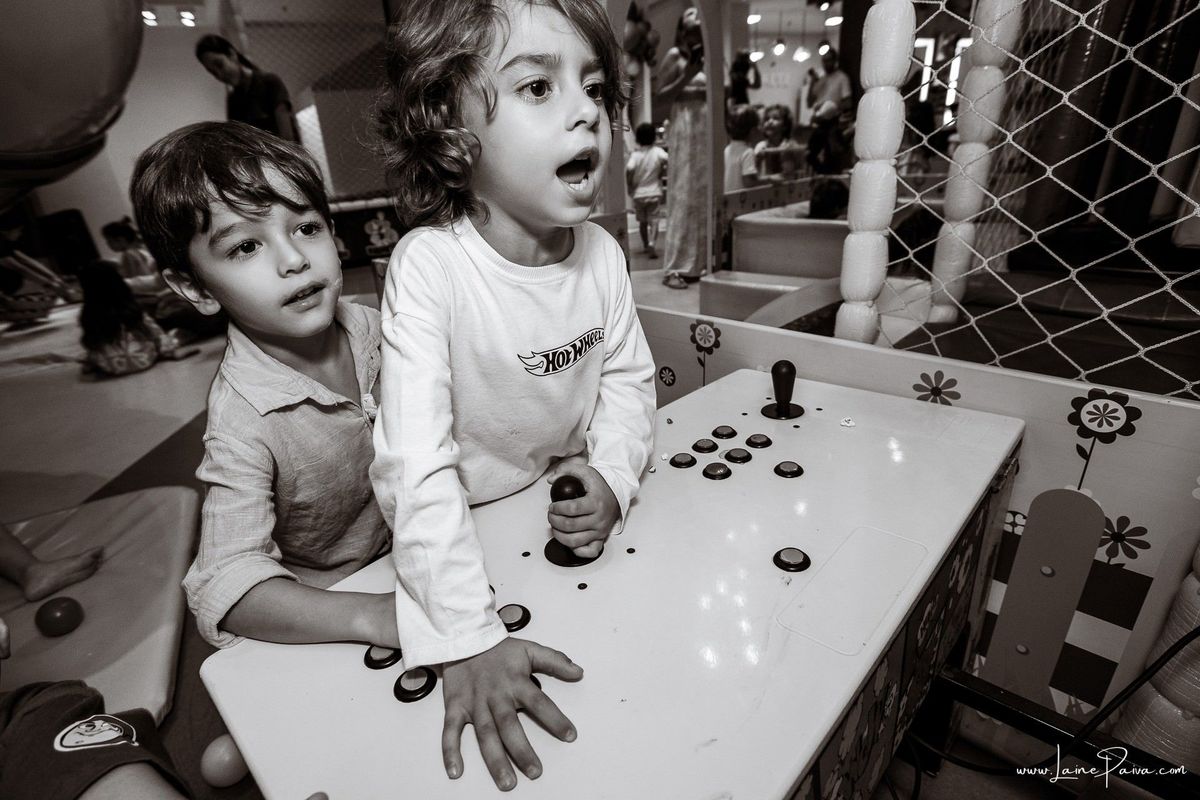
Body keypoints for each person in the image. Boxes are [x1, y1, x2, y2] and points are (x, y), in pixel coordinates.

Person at [371, 0, 656, 791]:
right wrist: (466, 633)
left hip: (546, 519)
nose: (585, 115)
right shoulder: (430, 267)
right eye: (538, 87)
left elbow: (629, 382)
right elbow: (412, 463)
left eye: (594, 89)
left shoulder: (600, 253)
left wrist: (615, 473)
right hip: (460, 540)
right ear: (451, 133)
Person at [129, 122, 393, 650]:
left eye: (306, 228)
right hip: (335, 598)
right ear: (194, 288)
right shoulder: (241, 421)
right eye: (247, 246)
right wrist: (374, 617)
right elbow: (226, 582)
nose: (294, 259)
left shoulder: (384, 328)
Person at [656, 6, 708, 289]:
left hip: (706, 129)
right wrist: (687, 75)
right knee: (682, 192)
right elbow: (660, 98)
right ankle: (674, 266)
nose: (696, 19)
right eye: (689, 17)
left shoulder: (711, 58)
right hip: (685, 127)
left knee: (702, 195)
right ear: (681, 28)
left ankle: (700, 261)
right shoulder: (675, 56)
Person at [77, 260, 187, 378]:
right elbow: (155, 332)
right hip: (144, 359)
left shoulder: (88, 315)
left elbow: (90, 341)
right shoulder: (131, 308)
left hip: (111, 366)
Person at [194, 34, 298, 142]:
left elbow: (287, 137)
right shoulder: (233, 99)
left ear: (232, 54)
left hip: (282, 155)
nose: (220, 75)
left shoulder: (270, 82)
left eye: (220, 65)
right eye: (213, 73)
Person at [625, 122, 668, 259]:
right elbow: (667, 160)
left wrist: (630, 184)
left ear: (637, 138)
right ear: (654, 137)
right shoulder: (658, 152)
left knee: (642, 222)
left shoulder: (636, 156)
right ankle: (652, 243)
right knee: (654, 220)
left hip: (639, 195)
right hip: (654, 192)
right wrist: (661, 171)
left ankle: (644, 245)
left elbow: (629, 169)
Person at [755, 104, 802, 181]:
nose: (770, 122)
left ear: (785, 126)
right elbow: (755, 173)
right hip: (769, 188)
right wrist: (758, 158)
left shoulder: (790, 145)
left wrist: (785, 153)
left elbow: (789, 176)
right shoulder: (761, 145)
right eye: (767, 119)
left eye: (775, 118)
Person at [806, 48, 852, 120]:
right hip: (819, 120)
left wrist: (831, 107)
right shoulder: (821, 79)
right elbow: (809, 103)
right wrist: (812, 82)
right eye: (824, 61)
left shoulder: (842, 78)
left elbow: (848, 103)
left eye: (828, 60)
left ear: (835, 61)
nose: (826, 64)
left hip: (833, 121)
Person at [723, 104, 760, 192]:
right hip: (741, 201)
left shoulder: (727, 150)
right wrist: (769, 180)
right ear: (753, 131)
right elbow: (749, 182)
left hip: (727, 199)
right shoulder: (748, 152)